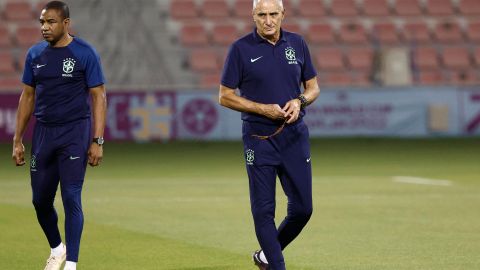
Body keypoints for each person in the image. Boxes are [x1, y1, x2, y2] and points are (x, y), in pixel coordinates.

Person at [219, 0, 320, 269]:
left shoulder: (297, 43)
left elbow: (313, 87)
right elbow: (225, 96)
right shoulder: (240, 49)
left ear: (283, 15)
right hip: (258, 140)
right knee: (264, 211)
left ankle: (265, 256)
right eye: (262, 14)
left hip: (294, 137)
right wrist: (262, 109)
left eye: (273, 14)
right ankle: (276, 265)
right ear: (253, 16)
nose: (268, 20)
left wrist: (300, 101)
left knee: (303, 209)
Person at [11, 1, 106, 270]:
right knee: (39, 200)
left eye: (51, 22)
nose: (44, 27)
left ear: (66, 24)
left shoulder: (84, 53)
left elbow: (99, 96)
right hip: (43, 134)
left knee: (71, 197)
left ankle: (72, 264)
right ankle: (57, 248)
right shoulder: (35, 55)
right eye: (42, 22)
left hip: (75, 131)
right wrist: (17, 139)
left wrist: (97, 140)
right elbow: (27, 97)